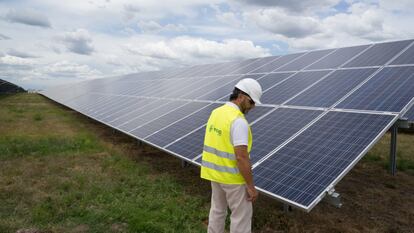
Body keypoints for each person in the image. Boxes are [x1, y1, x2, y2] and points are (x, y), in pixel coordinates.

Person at [200, 78, 263, 233]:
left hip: (215, 175)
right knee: (240, 219)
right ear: (241, 96)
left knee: (217, 211)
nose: (253, 107)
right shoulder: (238, 121)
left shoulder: (216, 113)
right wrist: (250, 186)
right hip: (233, 179)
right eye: (251, 102)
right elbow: (241, 157)